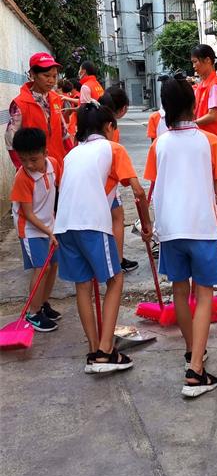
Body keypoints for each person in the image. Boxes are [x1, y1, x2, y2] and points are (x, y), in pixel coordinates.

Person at [144, 75, 217, 397]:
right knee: (205, 294)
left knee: (179, 292)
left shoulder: (160, 143)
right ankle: (196, 368)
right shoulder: (209, 141)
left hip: (170, 228)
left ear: (164, 106)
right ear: (194, 104)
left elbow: (154, 183)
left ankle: (191, 350)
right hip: (202, 227)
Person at [53, 103, 149, 373]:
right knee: (115, 279)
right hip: (92, 223)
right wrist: (147, 224)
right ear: (108, 127)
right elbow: (139, 192)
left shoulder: (72, 154)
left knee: (82, 286)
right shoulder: (112, 148)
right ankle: (107, 351)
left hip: (64, 225)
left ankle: (94, 350)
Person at [9, 128, 62, 332]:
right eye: (23, 160)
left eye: (34, 159)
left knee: (54, 265)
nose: (29, 165)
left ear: (45, 153)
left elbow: (58, 192)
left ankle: (43, 304)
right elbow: (28, 214)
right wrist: (49, 231)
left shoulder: (54, 164)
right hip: (31, 230)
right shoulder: (22, 178)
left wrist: (56, 224)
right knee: (42, 269)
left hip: (50, 225)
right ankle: (33, 313)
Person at [5, 53, 72, 170]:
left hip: (57, 166)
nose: (51, 81)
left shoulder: (55, 98)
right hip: (34, 171)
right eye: (46, 76)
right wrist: (24, 168)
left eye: (54, 76)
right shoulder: (20, 104)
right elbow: (11, 140)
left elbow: (63, 132)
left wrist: (71, 158)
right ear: (32, 74)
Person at [98, 86, 138, 273]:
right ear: (122, 110)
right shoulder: (111, 127)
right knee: (116, 217)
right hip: (107, 182)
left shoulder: (92, 118)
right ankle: (117, 259)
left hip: (91, 180)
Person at [191, 44, 217, 148]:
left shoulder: (214, 85)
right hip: (207, 139)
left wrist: (192, 124)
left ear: (207, 60)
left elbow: (213, 115)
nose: (193, 66)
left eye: (195, 62)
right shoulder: (202, 84)